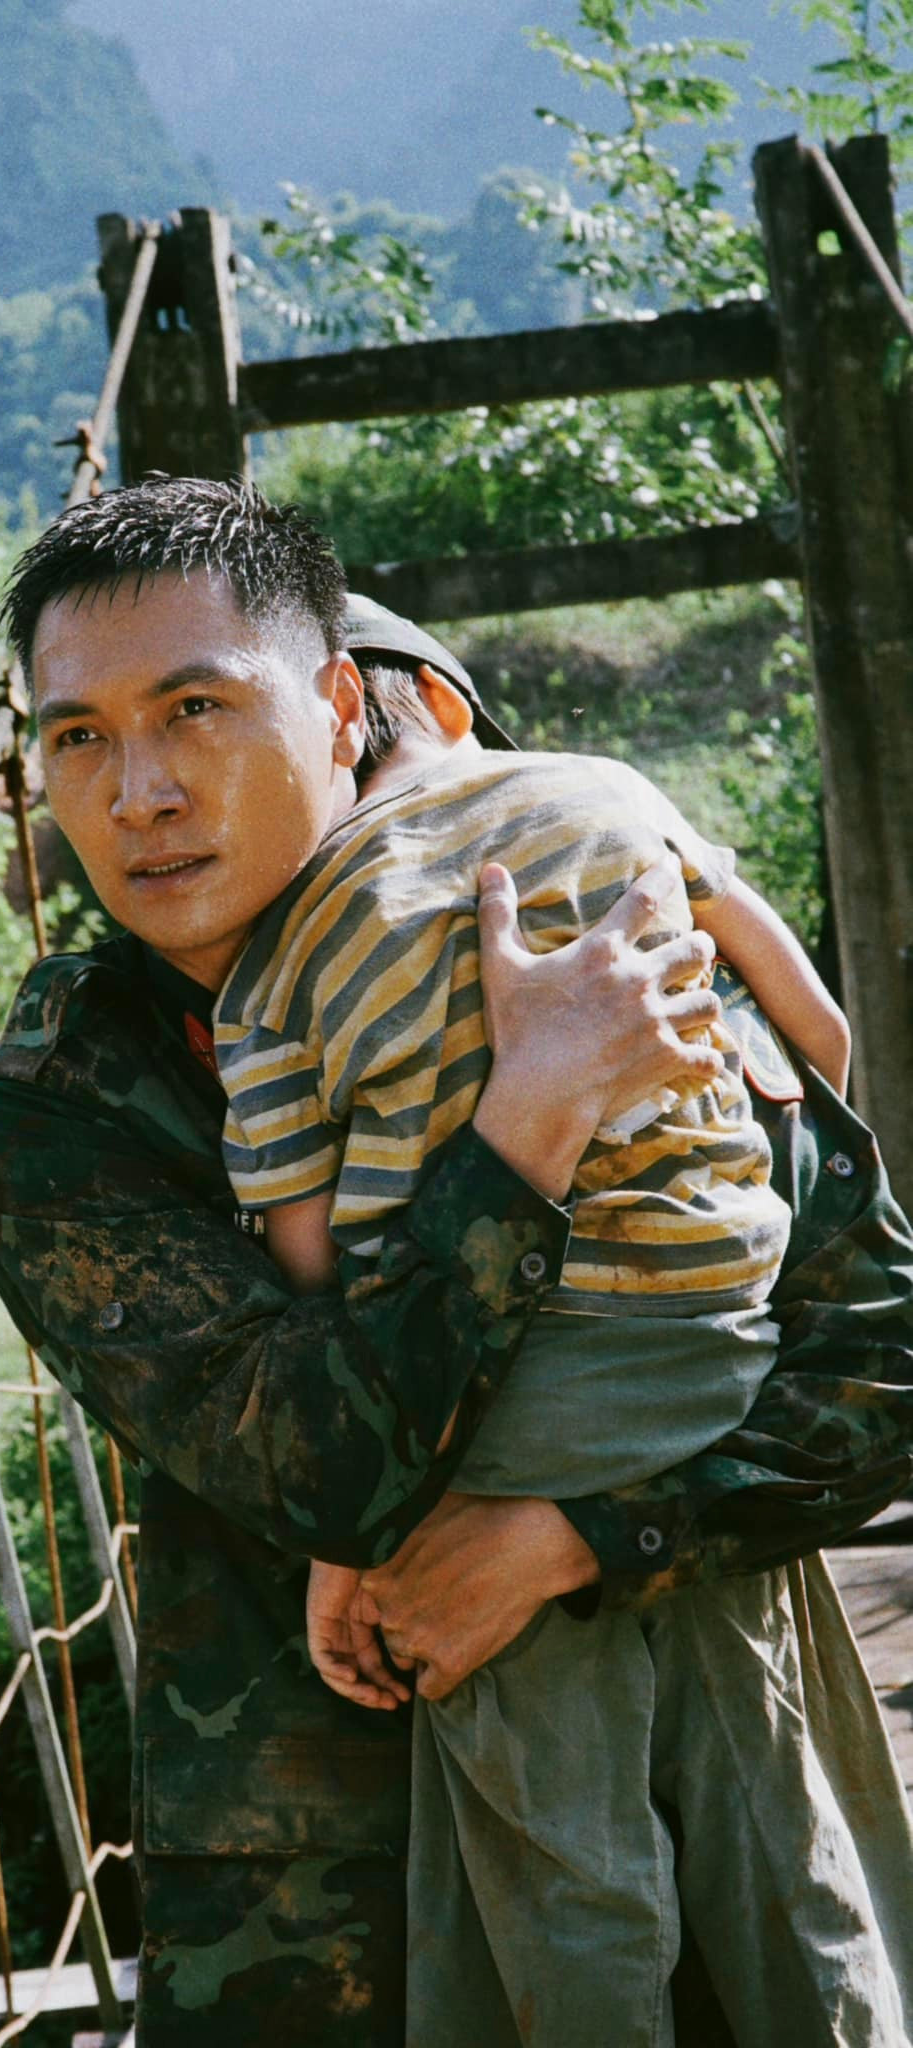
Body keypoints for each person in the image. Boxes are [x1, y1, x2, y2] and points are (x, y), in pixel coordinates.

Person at [0, 476, 913, 2045]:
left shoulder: (593, 941)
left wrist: (578, 1537)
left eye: (196, 709)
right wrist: (528, 1119)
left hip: (714, 1795)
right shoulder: (62, 1105)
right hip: (322, 1903)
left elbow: (878, 1366)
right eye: (77, 738)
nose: (140, 794)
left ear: (339, 716)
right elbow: (323, 1462)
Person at [212, 588, 908, 2044]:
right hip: (714, 1353)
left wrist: (363, 1521)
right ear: (442, 703)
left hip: (501, 1407)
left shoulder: (271, 971)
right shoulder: (609, 793)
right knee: (779, 1833)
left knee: (563, 1865)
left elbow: (312, 1267)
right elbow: (818, 1032)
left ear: (325, 727)